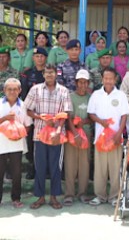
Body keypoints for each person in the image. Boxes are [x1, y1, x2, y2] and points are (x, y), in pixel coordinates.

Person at [25, 64, 72, 210]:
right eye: (47, 73)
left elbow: (66, 112)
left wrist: (58, 129)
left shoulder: (63, 91)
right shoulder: (35, 89)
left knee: (55, 166)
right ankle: (40, 197)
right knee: (39, 166)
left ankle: (54, 197)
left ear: (56, 74)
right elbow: (28, 109)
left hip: (57, 136)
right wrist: (41, 117)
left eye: (52, 73)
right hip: (39, 134)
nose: (50, 75)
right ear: (44, 74)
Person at [88, 68, 129, 206]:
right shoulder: (96, 94)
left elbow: (124, 115)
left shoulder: (121, 95)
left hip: (115, 138)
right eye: (105, 78)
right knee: (100, 169)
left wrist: (119, 134)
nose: (108, 81)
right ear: (102, 79)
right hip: (100, 138)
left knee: (114, 168)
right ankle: (100, 196)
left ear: (115, 79)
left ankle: (114, 196)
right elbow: (91, 114)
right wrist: (102, 122)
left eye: (110, 78)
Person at [63, 69, 92, 206]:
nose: (83, 85)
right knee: (70, 165)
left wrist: (85, 122)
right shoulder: (70, 96)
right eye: (80, 82)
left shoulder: (91, 97)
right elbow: (68, 118)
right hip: (72, 136)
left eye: (85, 82)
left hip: (86, 135)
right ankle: (69, 194)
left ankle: (82, 193)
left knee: (84, 166)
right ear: (76, 83)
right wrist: (75, 133)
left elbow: (93, 117)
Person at [0, 78, 30, 208]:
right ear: (4, 90)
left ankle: (16, 198)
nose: (12, 92)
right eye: (9, 89)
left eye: (15, 89)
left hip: (17, 144)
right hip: (1, 144)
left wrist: (19, 134)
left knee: (16, 174)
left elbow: (27, 125)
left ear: (20, 90)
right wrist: (4, 119)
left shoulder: (23, 105)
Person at [20, 47, 47, 180]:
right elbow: (23, 94)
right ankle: (32, 167)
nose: (39, 58)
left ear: (45, 58)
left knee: (46, 140)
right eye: (37, 56)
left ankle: (45, 169)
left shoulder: (49, 73)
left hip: (46, 113)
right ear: (33, 58)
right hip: (31, 112)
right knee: (31, 141)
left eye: (42, 56)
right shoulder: (27, 74)